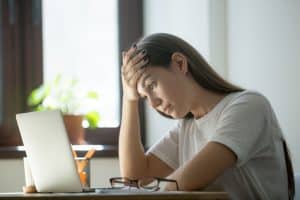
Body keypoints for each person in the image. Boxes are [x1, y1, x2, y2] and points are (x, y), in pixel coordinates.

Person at [118, 33, 294, 200]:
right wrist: (129, 99)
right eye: (144, 97)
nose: (153, 104)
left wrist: (148, 193)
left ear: (180, 63)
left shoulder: (249, 106)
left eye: (152, 85)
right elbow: (135, 180)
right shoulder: (187, 127)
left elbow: (186, 180)